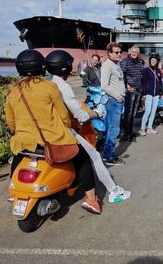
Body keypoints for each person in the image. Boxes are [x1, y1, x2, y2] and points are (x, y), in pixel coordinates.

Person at [6, 50, 101, 214]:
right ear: (42, 68)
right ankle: (91, 199)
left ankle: (14, 192)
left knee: (18, 158)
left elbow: (11, 122)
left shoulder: (13, 91)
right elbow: (64, 116)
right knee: (83, 159)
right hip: (53, 140)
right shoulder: (49, 86)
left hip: (24, 142)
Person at [45, 50, 131, 203]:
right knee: (95, 156)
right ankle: (114, 191)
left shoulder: (47, 81)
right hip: (63, 130)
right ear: (65, 67)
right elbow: (82, 116)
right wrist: (97, 114)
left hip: (45, 130)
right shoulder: (63, 87)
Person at [101, 42, 126, 165]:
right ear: (109, 53)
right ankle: (109, 156)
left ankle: (107, 154)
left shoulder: (116, 64)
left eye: (120, 52)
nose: (119, 54)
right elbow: (104, 85)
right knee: (114, 129)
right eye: (116, 52)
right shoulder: (107, 65)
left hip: (118, 100)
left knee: (112, 128)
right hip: (114, 101)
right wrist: (118, 96)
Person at [120, 44, 144, 141]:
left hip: (138, 90)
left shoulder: (140, 62)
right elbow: (121, 76)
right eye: (133, 52)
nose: (134, 54)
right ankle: (126, 134)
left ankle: (130, 131)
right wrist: (126, 86)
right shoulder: (125, 62)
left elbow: (141, 75)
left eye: (136, 52)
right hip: (130, 91)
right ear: (130, 52)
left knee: (134, 113)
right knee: (128, 113)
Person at [139, 53, 163, 136]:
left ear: (157, 61)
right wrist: (144, 93)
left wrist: (161, 92)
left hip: (156, 94)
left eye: (155, 60)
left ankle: (149, 128)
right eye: (152, 60)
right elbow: (143, 82)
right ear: (150, 61)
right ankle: (142, 128)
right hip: (148, 93)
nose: (153, 61)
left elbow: (160, 82)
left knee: (153, 111)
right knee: (148, 111)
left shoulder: (159, 71)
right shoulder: (145, 70)